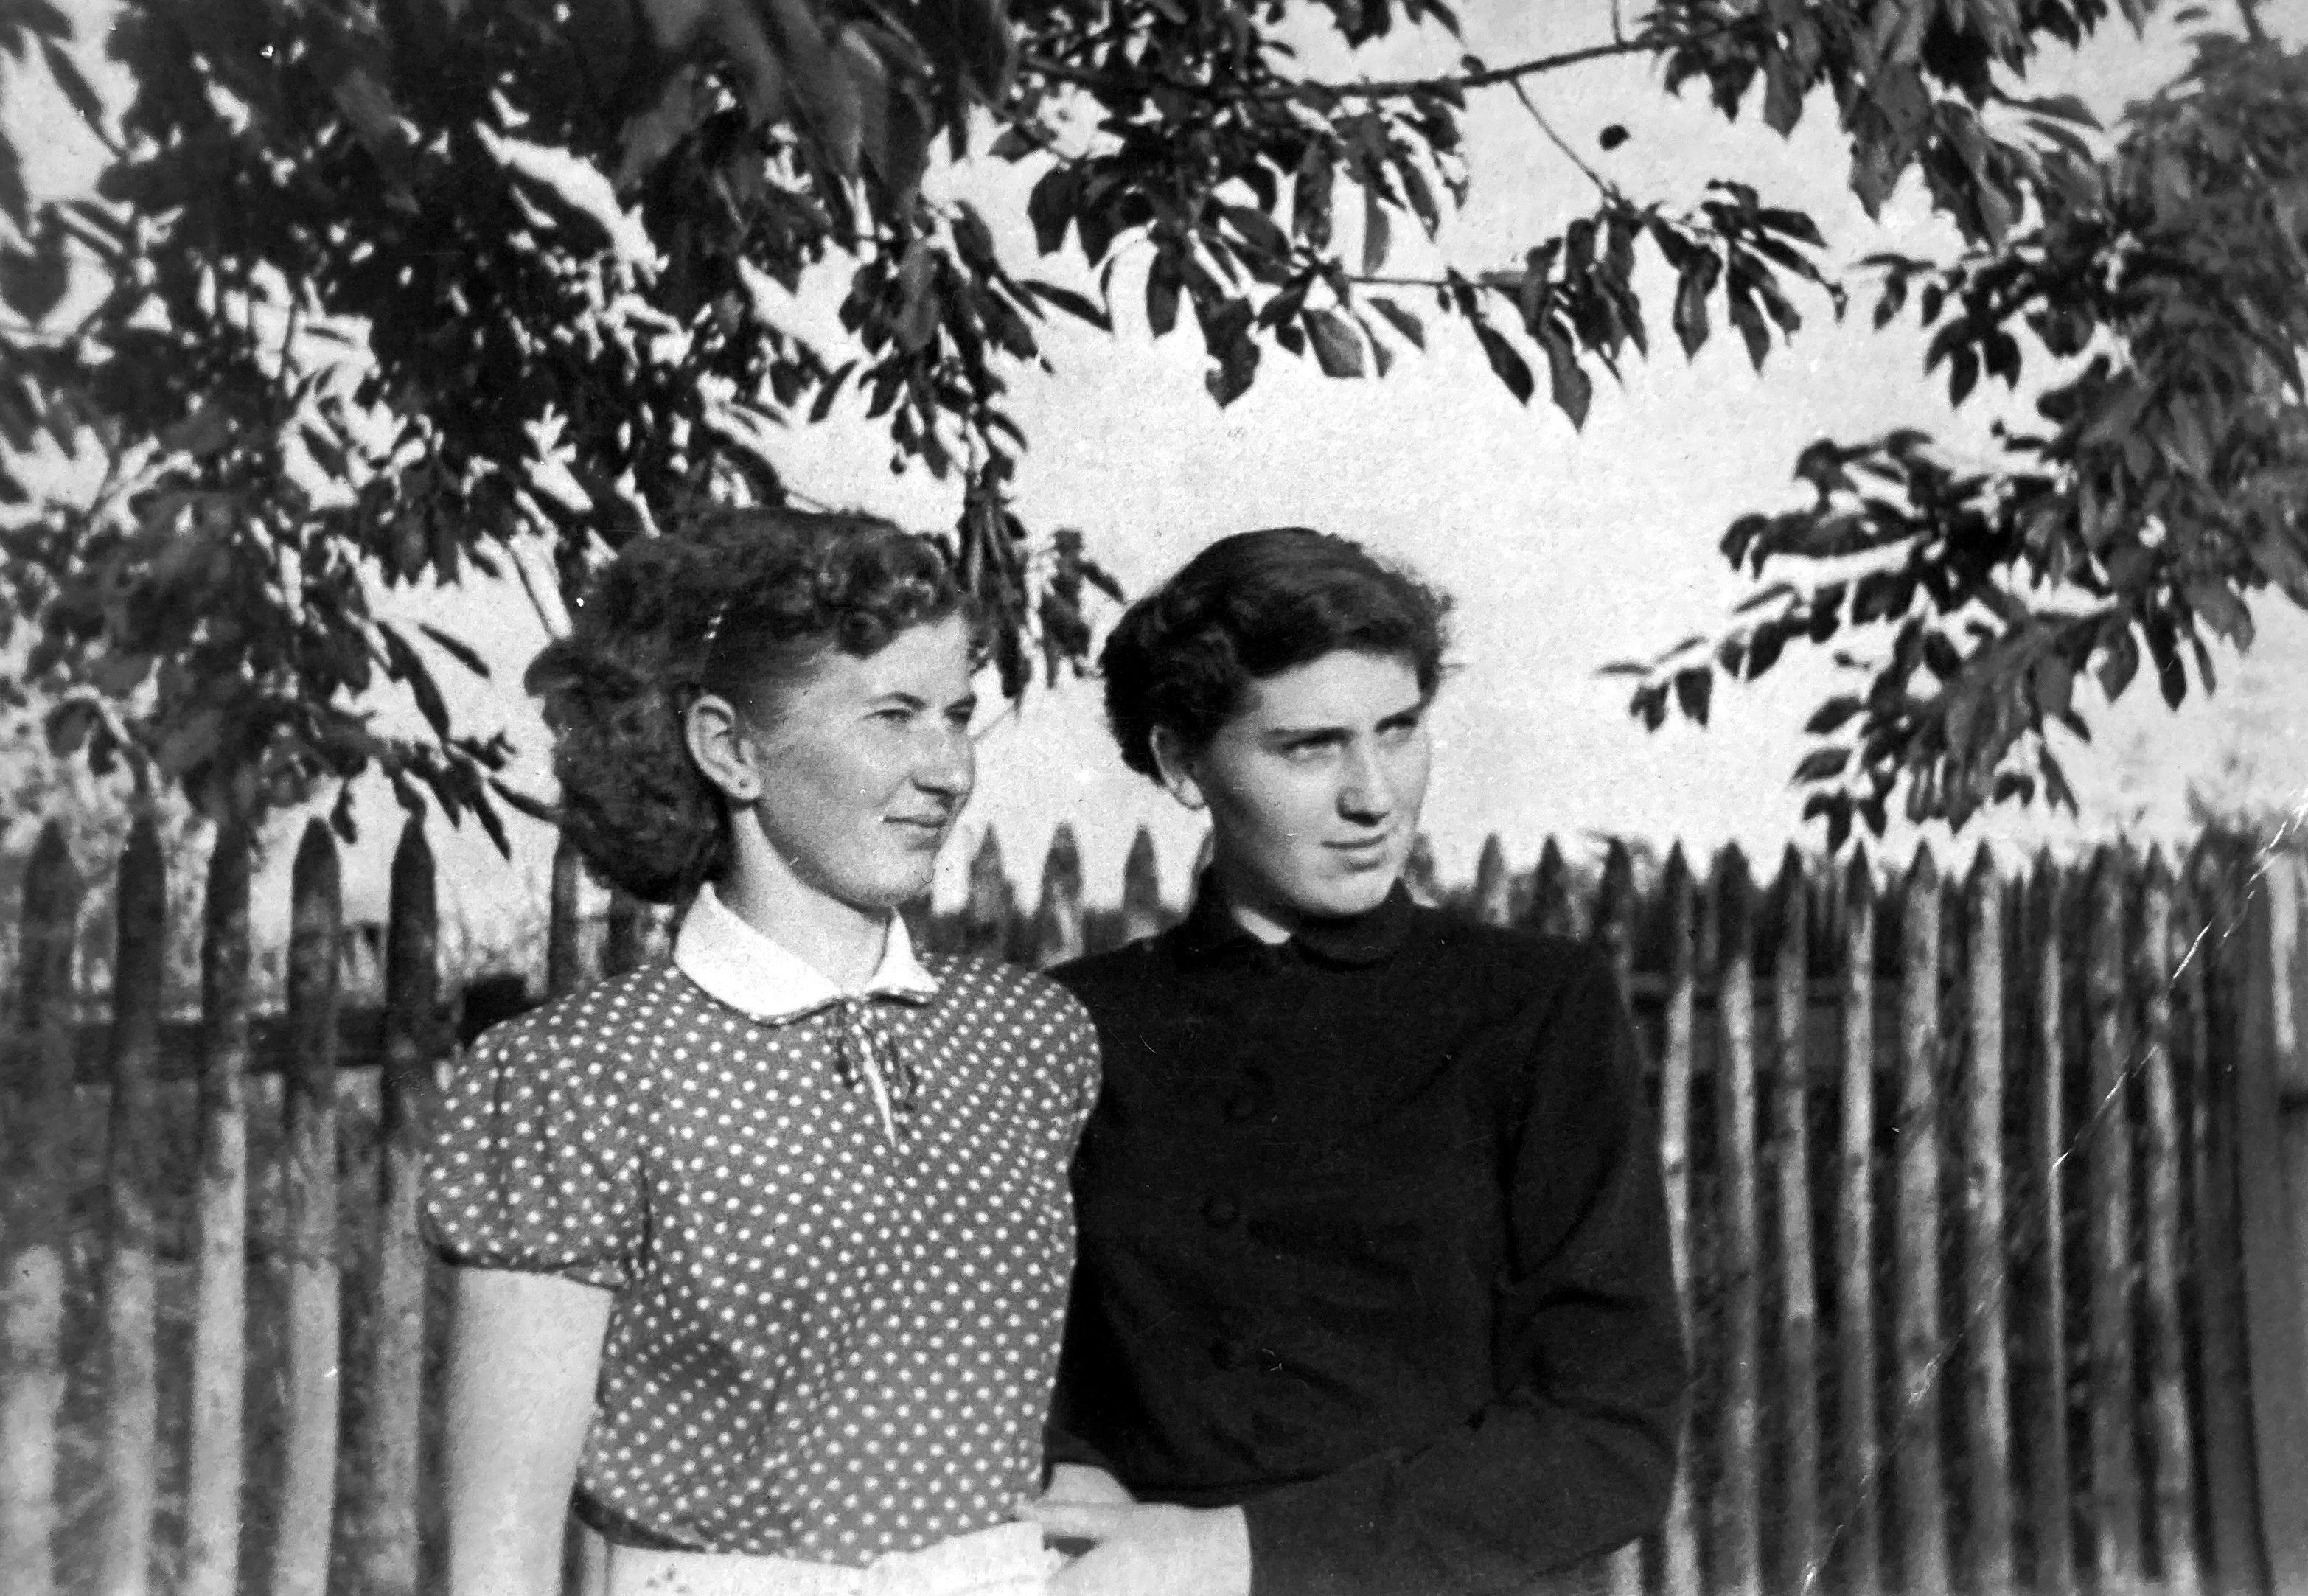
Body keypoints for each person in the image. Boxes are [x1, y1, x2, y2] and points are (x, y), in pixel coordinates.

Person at [422, 506, 1099, 1596]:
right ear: (731, 749)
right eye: (892, 716)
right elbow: (500, 1542)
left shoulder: (1028, 1036)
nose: (948, 769)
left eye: (957, 715)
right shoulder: (578, 1075)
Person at [1019, 529, 1687, 1596]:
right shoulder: (1071, 1026)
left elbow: (1609, 1437)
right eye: (1310, 747)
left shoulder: (1532, 1010)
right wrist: (1070, 1467)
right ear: (1182, 764)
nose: (1374, 795)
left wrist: (1233, 1549)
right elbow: (1004, 1365)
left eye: (1400, 729)